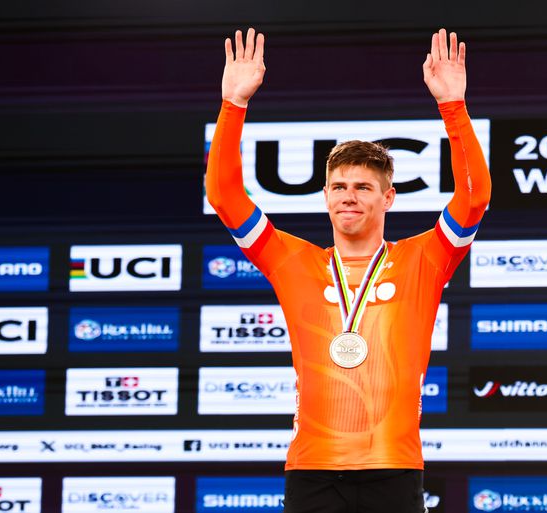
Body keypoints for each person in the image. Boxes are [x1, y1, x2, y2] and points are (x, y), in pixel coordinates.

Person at [206, 27, 491, 513]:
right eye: (339, 187)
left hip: (394, 469)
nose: (349, 197)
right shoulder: (293, 261)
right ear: (325, 196)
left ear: (388, 197)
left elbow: (475, 197)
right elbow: (224, 196)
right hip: (312, 473)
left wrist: (453, 106)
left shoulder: (424, 258)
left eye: (363, 187)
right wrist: (234, 104)